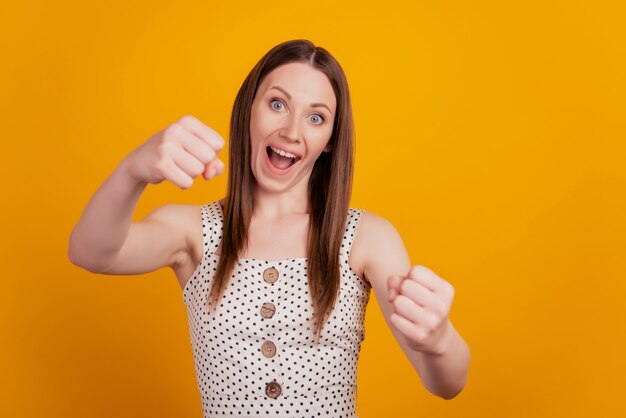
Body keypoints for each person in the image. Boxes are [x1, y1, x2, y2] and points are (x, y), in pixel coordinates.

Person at [68, 39, 470, 417]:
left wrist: (438, 341)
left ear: (330, 139)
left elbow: (447, 384)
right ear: (249, 109)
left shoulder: (367, 237)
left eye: (316, 117)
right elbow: (91, 252)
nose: (291, 132)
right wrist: (133, 170)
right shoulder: (193, 231)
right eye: (278, 104)